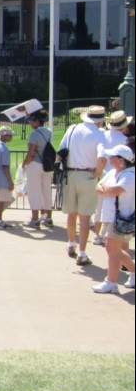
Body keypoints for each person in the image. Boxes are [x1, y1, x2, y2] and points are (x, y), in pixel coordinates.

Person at [57, 106, 106, 266]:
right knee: (85, 217)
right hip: (88, 175)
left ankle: (71, 243)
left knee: (72, 214)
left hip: (70, 174)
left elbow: (60, 152)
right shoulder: (99, 135)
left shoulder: (73, 128)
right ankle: (83, 253)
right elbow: (102, 159)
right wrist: (97, 173)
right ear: (100, 121)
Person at [91, 144, 135, 293]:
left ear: (122, 160)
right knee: (114, 249)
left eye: (113, 157)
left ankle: (111, 282)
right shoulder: (113, 173)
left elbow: (114, 191)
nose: (110, 159)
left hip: (121, 218)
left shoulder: (130, 175)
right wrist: (106, 190)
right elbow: (99, 187)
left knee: (111, 249)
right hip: (110, 217)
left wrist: (106, 190)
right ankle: (133, 273)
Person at [92, 110, 129, 245]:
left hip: (103, 173)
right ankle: (114, 235)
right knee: (116, 208)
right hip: (118, 174)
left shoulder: (102, 136)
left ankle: (98, 235)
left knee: (99, 208)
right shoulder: (125, 140)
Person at [21, 109, 54, 228]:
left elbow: (31, 153)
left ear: (36, 122)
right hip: (47, 164)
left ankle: (35, 219)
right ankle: (48, 218)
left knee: (34, 192)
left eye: (31, 121)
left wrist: (24, 163)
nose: (30, 123)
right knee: (46, 191)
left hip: (35, 164)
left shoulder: (34, 134)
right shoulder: (49, 132)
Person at [0, 126, 15, 228]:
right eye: (9, 135)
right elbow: (5, 166)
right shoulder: (4, 148)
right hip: (1, 176)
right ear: (5, 136)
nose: (10, 137)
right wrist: (10, 181)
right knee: (1, 199)